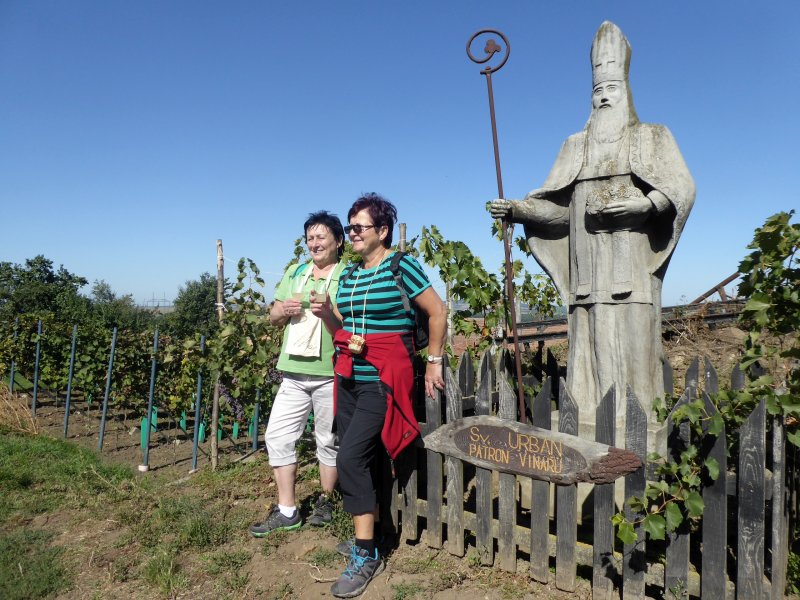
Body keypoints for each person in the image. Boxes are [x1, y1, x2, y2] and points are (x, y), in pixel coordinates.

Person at [490, 22, 695, 436]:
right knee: (587, 352)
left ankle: (636, 429)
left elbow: (682, 188)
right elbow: (561, 214)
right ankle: (586, 425)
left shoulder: (652, 137)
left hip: (631, 273)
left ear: (627, 92)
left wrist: (646, 204)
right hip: (586, 277)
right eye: (596, 91)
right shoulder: (574, 146)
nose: (603, 97)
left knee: (635, 351)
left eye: (611, 89)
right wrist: (519, 210)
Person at [311, 192, 446, 598]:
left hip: (384, 378)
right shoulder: (350, 274)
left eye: (358, 227)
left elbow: (437, 311)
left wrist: (435, 361)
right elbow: (343, 327)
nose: (351, 233)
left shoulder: (401, 265)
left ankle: (366, 554)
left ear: (382, 231)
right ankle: (368, 537)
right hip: (350, 373)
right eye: (349, 227)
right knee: (361, 457)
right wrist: (328, 316)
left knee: (349, 456)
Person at [249, 211, 347, 537]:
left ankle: (327, 499)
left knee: (329, 441)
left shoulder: (348, 273)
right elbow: (273, 315)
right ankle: (288, 510)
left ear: (338, 240)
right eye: (310, 238)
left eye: (320, 237)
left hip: (331, 372)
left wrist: (329, 311)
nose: (314, 243)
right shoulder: (296, 271)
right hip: (292, 372)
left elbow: (354, 325)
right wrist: (283, 309)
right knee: (276, 437)